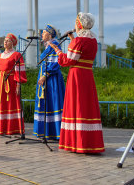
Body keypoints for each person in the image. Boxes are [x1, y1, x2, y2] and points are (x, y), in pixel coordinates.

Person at [49, 12, 105, 153]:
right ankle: (90, 142)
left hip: (76, 76)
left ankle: (76, 142)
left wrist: (57, 51)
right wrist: (73, 39)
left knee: (76, 105)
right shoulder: (92, 41)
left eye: (76, 22)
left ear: (79, 24)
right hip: (87, 74)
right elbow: (82, 54)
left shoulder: (78, 41)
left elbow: (68, 60)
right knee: (86, 106)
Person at [33, 25, 65, 140]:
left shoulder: (54, 44)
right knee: (45, 102)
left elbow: (56, 63)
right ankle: (46, 131)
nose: (42, 34)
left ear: (50, 35)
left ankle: (55, 131)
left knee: (52, 101)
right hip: (45, 76)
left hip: (51, 79)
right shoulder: (48, 46)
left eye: (44, 32)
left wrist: (45, 75)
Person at [0, 33, 27, 135]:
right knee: (1, 103)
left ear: (13, 43)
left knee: (10, 103)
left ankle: (11, 127)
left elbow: (19, 71)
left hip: (10, 82)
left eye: (8, 41)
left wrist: (18, 85)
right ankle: (0, 127)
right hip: (0, 82)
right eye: (5, 40)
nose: (5, 42)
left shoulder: (17, 55)